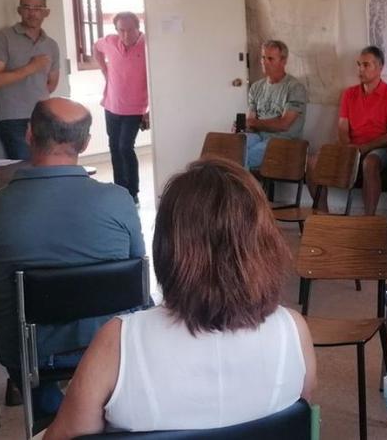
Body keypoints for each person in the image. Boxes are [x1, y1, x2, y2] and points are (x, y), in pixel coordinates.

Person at [42, 159, 316, 439]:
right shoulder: (293, 331)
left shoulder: (118, 342)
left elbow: (64, 436)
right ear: (264, 243)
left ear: (166, 246)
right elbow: (298, 417)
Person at [0, 98, 144, 418]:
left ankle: (51, 418)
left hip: (30, 353)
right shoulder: (119, 201)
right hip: (111, 349)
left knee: (48, 405)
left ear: (29, 134)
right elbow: (135, 282)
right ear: (86, 143)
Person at [318, 46, 387, 215]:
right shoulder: (349, 94)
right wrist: (349, 147)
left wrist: (364, 148)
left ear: (380, 67)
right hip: (352, 147)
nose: (360, 70)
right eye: (359, 65)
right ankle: (324, 216)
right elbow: (342, 127)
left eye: (366, 65)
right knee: (314, 162)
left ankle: (368, 221)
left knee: (370, 162)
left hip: (380, 149)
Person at [0, 0, 63, 161]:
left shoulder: (51, 45)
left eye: (37, 8)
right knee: (22, 170)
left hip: (43, 117)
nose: (32, 13)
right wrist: (30, 68)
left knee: (46, 168)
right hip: (13, 118)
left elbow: (51, 84)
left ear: (46, 12)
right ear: (19, 10)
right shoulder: (2, 38)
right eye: (27, 7)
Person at [94, 12, 150, 204]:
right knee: (114, 147)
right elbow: (96, 47)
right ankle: (120, 188)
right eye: (121, 30)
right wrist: (104, 69)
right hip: (111, 105)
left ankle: (132, 192)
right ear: (116, 30)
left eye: (130, 30)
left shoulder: (148, 45)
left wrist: (150, 110)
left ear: (138, 27)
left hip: (135, 108)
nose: (126, 35)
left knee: (125, 147)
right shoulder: (109, 42)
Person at [241, 39, 307, 170]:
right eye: (263, 57)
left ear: (283, 61)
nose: (264, 62)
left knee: (243, 158)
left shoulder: (295, 88)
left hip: (283, 141)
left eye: (270, 59)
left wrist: (252, 123)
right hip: (258, 137)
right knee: (230, 150)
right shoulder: (256, 87)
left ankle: (246, 189)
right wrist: (242, 126)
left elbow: (284, 125)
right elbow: (251, 122)